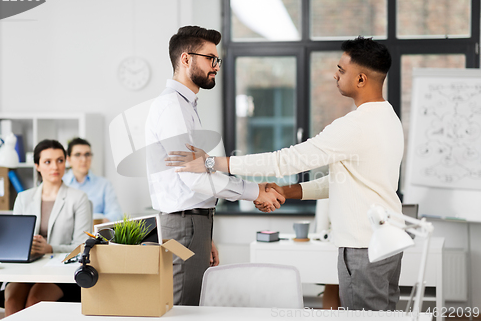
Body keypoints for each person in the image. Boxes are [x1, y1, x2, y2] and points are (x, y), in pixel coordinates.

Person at [166, 36, 404, 311]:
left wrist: (213, 163)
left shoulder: (354, 126)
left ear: (361, 79)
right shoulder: (388, 118)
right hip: (387, 243)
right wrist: (287, 192)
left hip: (363, 248)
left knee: (366, 318)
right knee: (387, 314)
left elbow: (285, 161)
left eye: (341, 70)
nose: (335, 75)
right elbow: (345, 180)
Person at [145, 25, 284, 306]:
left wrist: (205, 236)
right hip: (184, 225)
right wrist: (254, 191)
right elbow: (193, 178)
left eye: (216, 59)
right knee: (184, 307)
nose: (216, 66)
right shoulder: (172, 107)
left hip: (192, 224)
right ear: (186, 59)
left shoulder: (185, 106)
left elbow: (200, 172)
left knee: (192, 303)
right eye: (211, 58)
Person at [4, 139, 92, 316]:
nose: (55, 167)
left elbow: (83, 246)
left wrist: (49, 248)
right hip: (27, 269)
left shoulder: (79, 198)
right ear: (37, 165)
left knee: (35, 300)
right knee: (12, 301)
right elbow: (15, 241)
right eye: (47, 162)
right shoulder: (23, 198)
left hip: (61, 272)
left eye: (60, 160)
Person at [63, 137, 123, 223]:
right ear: (68, 159)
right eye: (77, 155)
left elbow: (116, 213)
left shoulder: (104, 184)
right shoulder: (61, 183)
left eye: (87, 154)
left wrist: (97, 223)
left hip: (94, 233)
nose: (83, 159)